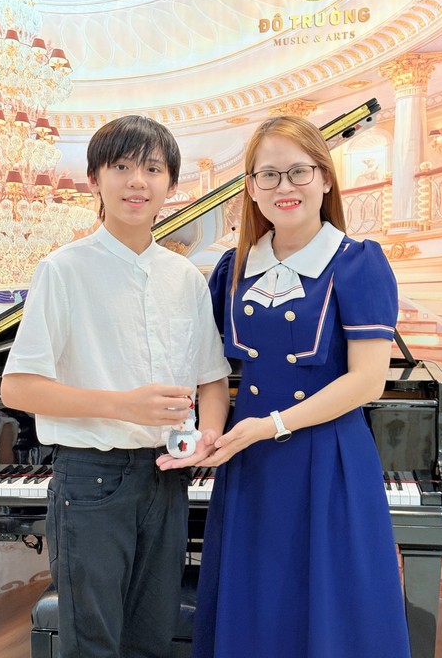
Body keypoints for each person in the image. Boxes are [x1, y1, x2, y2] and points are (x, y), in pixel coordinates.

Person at [158, 115, 412, 658]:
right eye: (268, 175)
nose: (284, 186)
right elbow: (208, 369)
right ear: (251, 187)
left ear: (325, 178)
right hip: (251, 462)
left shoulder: (358, 263)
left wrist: (270, 425)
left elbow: (367, 381)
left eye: (299, 171)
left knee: (329, 608)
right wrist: (206, 431)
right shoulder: (232, 268)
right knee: (257, 605)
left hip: (327, 459)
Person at [0, 115, 231, 658]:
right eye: (122, 167)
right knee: (92, 646)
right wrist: (123, 405)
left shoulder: (186, 278)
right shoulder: (63, 269)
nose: (137, 181)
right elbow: (18, 388)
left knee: (151, 640)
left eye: (152, 169)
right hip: (91, 480)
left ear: (170, 185)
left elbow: (213, 379)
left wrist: (210, 435)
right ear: (94, 180)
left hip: (167, 480)